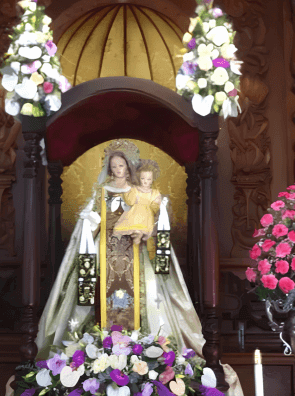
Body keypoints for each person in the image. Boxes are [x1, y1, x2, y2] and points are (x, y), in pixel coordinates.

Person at [33, 139, 206, 358]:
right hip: (106, 249)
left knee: (148, 290)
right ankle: (100, 346)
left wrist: (147, 228)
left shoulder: (138, 191)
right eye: (113, 166)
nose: (117, 169)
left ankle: (144, 347)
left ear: (128, 167)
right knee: (94, 289)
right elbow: (93, 221)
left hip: (136, 249)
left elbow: (149, 217)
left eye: (121, 165)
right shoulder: (101, 192)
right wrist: (89, 221)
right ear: (109, 168)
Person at [113, 160, 162, 245]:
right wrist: (128, 191)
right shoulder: (135, 189)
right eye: (143, 178)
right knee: (126, 225)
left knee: (144, 226)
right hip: (133, 213)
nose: (145, 181)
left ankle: (138, 234)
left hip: (147, 216)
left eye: (148, 179)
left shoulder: (154, 192)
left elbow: (155, 209)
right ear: (139, 178)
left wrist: (156, 203)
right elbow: (130, 202)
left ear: (152, 180)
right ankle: (136, 234)